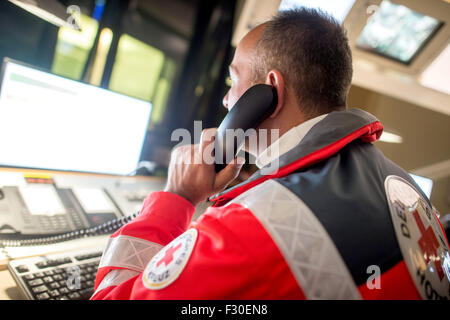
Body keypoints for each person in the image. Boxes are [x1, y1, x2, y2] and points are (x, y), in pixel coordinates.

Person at [91, 8, 450, 300]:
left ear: (269, 91)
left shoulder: (259, 225)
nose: (226, 100)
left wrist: (177, 197)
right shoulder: (406, 189)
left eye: (234, 81)